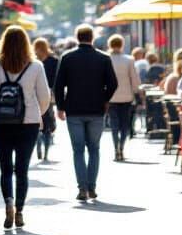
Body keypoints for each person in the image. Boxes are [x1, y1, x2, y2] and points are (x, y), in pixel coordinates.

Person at [0, 26, 50, 230]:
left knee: (5, 169)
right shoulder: (36, 66)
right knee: (22, 170)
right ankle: (19, 210)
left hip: (1, 123)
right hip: (28, 124)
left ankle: (8, 202)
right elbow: (44, 96)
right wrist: (38, 113)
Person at [55, 24, 118, 202]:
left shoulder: (67, 57)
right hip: (96, 109)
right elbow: (113, 84)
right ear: (92, 38)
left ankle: (82, 187)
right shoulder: (104, 58)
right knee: (94, 149)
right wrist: (105, 99)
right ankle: (91, 187)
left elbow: (59, 85)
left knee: (78, 150)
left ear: (77, 37)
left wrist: (60, 107)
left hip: (74, 109)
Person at [106, 35, 140, 161]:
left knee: (114, 124)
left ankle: (116, 148)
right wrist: (137, 92)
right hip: (126, 97)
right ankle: (122, 146)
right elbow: (134, 78)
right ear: (122, 44)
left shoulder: (106, 59)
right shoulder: (128, 59)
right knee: (125, 124)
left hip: (111, 97)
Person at [33, 37, 59, 161]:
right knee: (48, 123)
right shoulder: (53, 61)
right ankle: (46, 152)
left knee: (37, 121)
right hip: (48, 95)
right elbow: (57, 80)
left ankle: (38, 144)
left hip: (34, 95)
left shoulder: (32, 61)